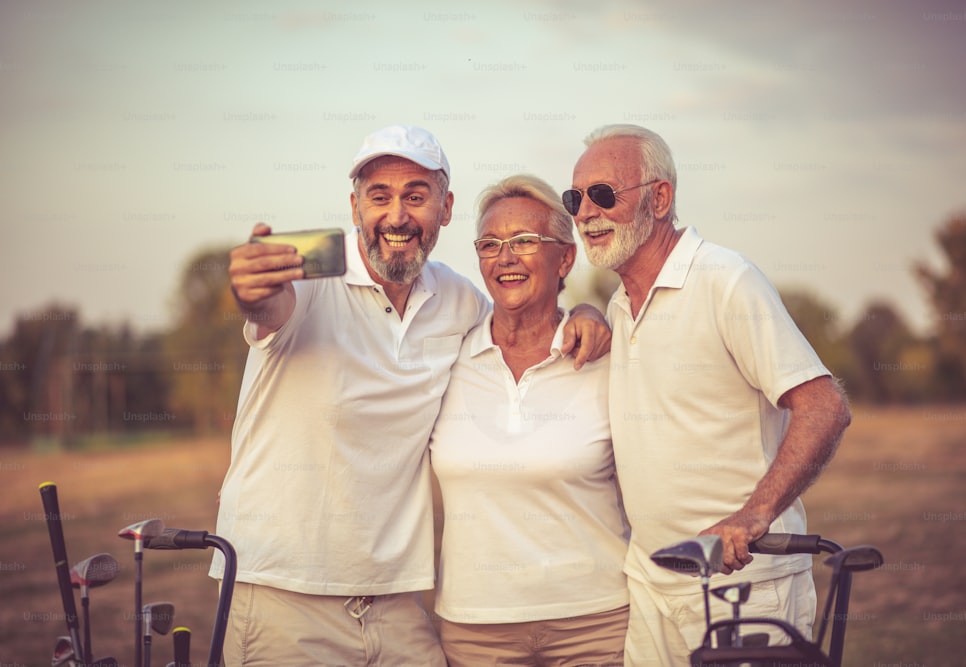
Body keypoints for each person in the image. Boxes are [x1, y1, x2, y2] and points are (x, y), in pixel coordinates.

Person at [211, 125, 611, 666]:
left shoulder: (458, 300)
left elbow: (528, 316)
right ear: (354, 206)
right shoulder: (306, 283)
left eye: (415, 197)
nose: (397, 216)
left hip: (396, 602)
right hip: (284, 592)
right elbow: (266, 309)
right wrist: (251, 291)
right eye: (379, 197)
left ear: (445, 210)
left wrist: (587, 312)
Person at [563, 124, 852, 667]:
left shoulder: (725, 280)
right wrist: (582, 312)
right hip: (652, 587)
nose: (584, 213)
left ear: (661, 197)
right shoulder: (619, 307)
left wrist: (753, 515)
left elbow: (824, 405)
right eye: (574, 198)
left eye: (603, 194)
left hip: (744, 585)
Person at [429, 174, 630, 666]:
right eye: (490, 244)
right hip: (475, 626)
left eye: (524, 241)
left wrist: (590, 311)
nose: (505, 257)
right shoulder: (446, 355)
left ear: (565, 257)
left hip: (596, 621)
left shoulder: (606, 358)